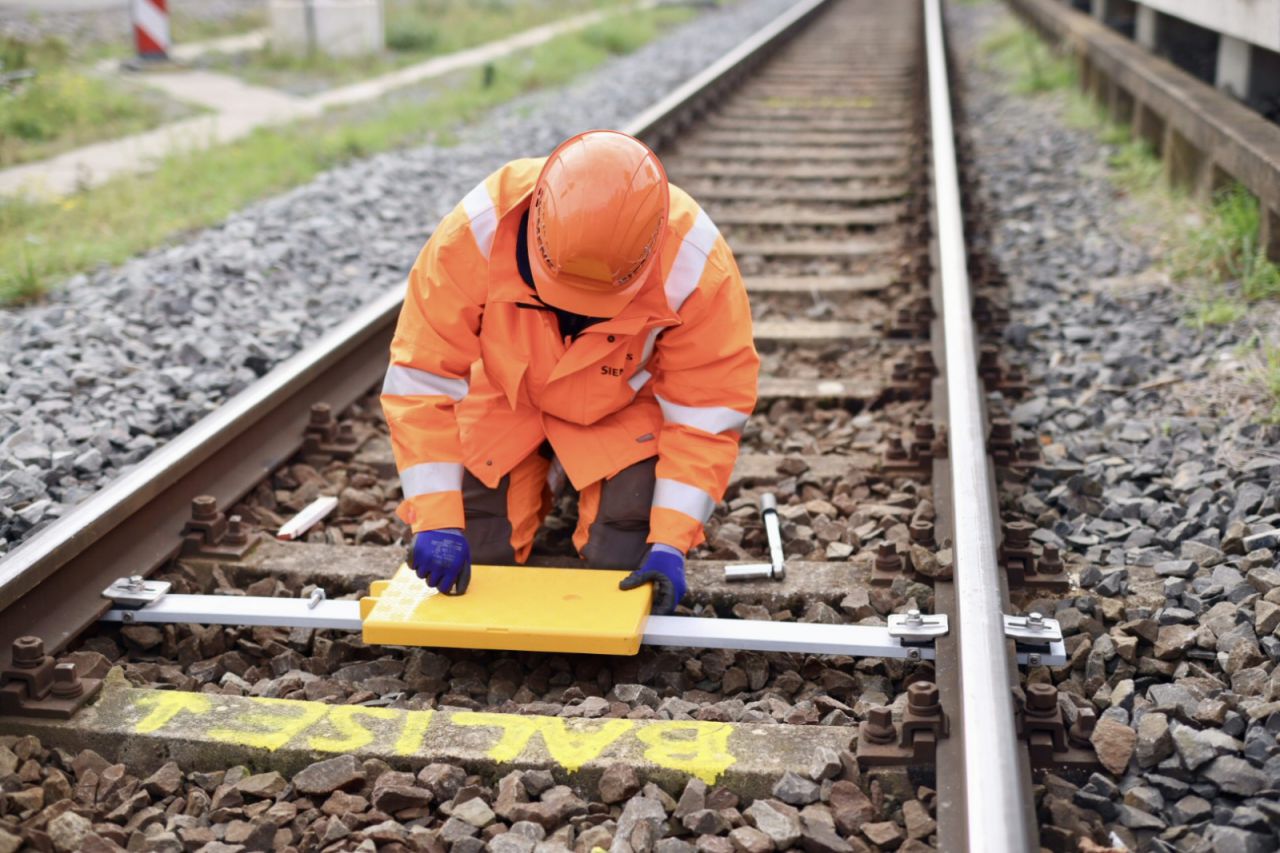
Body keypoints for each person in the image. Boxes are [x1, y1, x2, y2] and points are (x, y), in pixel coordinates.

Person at [380, 129, 758, 614]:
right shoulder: (477, 229)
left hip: (616, 409)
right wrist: (435, 519)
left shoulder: (697, 262)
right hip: (508, 399)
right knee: (478, 548)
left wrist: (670, 541)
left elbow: (708, 411)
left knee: (623, 566)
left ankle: (566, 474)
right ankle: (550, 472)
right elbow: (421, 378)